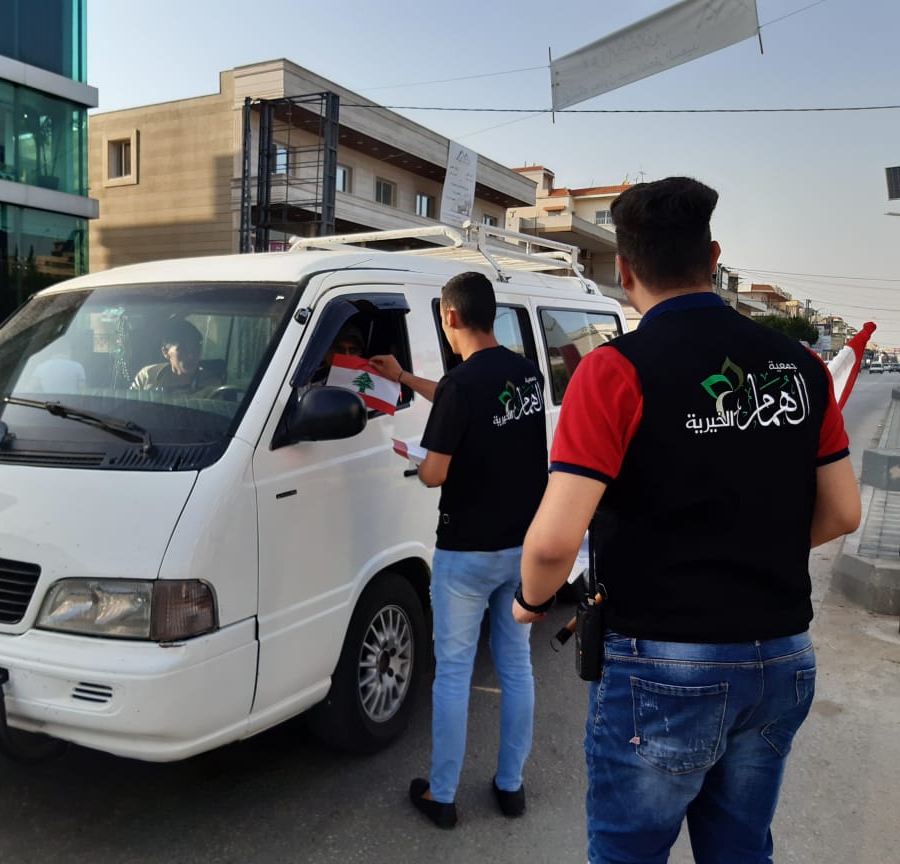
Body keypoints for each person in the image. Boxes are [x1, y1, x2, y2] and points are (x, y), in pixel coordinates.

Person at [511, 177, 862, 863]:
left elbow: (553, 542)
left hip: (665, 666)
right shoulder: (802, 368)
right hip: (782, 656)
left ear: (625, 271)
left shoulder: (613, 371)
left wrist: (529, 601)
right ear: (714, 257)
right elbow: (844, 511)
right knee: (740, 851)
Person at [368, 271, 548, 830]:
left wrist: (417, 458)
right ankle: (511, 786)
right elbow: (461, 401)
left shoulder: (462, 386)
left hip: (466, 554)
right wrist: (403, 378)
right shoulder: (527, 375)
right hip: (520, 548)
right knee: (516, 666)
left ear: (449, 317)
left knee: (452, 675)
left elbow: (434, 473)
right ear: (489, 314)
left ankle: (442, 795)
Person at [131, 317, 214, 391]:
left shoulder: (211, 384)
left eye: (195, 348)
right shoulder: (147, 376)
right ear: (165, 352)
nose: (191, 355)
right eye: (182, 349)